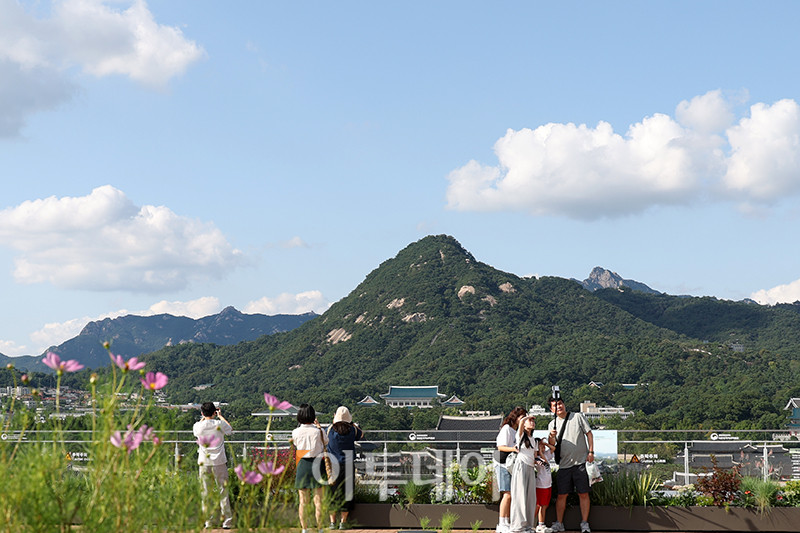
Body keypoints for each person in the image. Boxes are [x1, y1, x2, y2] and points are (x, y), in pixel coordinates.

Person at [547, 393, 594, 533]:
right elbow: (552, 445)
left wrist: (591, 452)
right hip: (564, 465)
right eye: (555, 405)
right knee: (562, 495)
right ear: (551, 410)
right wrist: (551, 436)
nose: (559, 406)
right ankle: (559, 523)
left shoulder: (578, 417)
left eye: (560, 403)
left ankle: (585, 523)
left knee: (583, 493)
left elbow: (589, 434)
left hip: (581, 463)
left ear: (564, 404)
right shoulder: (552, 424)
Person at [193, 401, 234, 530]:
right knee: (223, 491)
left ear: (202, 413)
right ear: (214, 412)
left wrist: (204, 417)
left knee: (206, 492)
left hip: (204, 461)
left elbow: (198, 428)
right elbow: (230, 429)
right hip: (220, 461)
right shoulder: (219, 424)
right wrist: (220, 416)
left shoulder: (198, 426)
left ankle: (208, 522)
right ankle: (227, 521)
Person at [292, 404, 328, 533]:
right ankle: (320, 528)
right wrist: (319, 426)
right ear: (313, 416)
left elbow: (296, 444)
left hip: (302, 464)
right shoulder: (319, 431)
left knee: (303, 501)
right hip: (318, 464)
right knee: (318, 500)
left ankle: (304, 529)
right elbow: (326, 442)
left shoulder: (295, 432)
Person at [326, 406, 364, 529]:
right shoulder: (353, 430)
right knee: (347, 493)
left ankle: (332, 522)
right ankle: (343, 522)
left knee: (332, 493)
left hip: (333, 466)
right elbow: (361, 434)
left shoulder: (330, 430)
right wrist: (352, 423)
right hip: (347, 465)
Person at [495, 406, 527, 533]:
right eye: (522, 417)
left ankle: (506, 522)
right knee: (507, 494)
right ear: (516, 417)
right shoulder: (507, 429)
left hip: (510, 465)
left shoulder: (516, 431)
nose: (524, 419)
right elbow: (500, 447)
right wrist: (514, 449)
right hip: (502, 463)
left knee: (510, 495)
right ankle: (501, 523)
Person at [509, 415, 537, 533]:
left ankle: (528, 525)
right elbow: (520, 424)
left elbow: (535, 456)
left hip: (531, 467)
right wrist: (526, 417)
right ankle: (517, 527)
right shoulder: (520, 436)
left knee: (530, 497)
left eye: (533, 421)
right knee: (520, 496)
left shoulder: (533, 440)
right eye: (530, 421)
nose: (532, 422)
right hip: (521, 466)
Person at [534, 437, 555, 533]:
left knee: (544, 505)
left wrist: (545, 444)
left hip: (548, 484)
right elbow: (545, 464)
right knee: (540, 505)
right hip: (541, 485)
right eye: (540, 446)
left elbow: (553, 449)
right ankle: (539, 524)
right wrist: (541, 453)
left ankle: (537, 523)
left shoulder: (545, 454)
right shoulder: (536, 458)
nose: (542, 448)